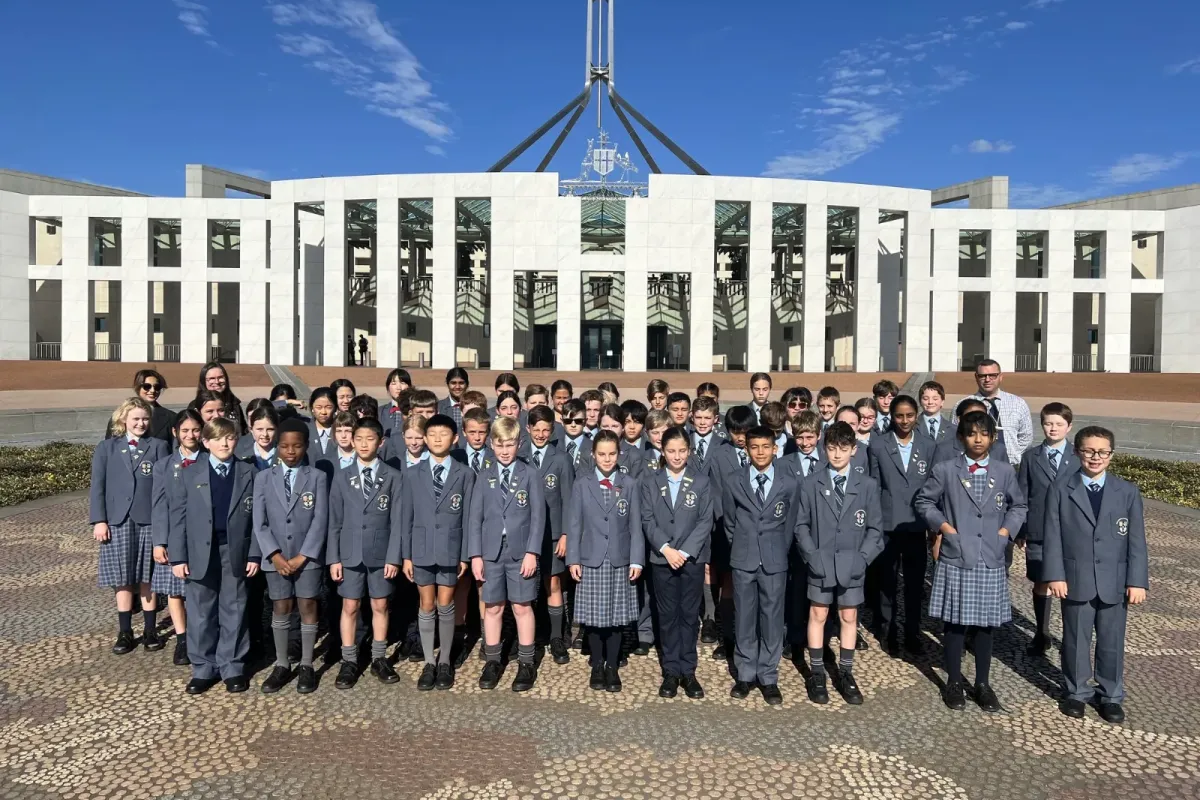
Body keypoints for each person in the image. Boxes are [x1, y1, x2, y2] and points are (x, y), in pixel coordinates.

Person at [915, 411, 1026, 713]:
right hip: (957, 554)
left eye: (984, 434)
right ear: (961, 437)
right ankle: (953, 681)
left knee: (986, 625)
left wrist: (1005, 532)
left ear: (993, 437)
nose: (978, 439)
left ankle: (982, 683)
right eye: (972, 433)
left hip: (990, 555)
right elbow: (924, 501)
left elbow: (1019, 506)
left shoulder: (1004, 471)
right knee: (955, 623)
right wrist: (945, 527)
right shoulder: (946, 469)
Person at [1043, 426, 1148, 724]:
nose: (1095, 457)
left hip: (1114, 580)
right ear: (1077, 452)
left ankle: (1110, 695)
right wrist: (1055, 575)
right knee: (1075, 639)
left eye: (1102, 451)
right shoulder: (1061, 489)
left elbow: (1137, 541)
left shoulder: (1127, 492)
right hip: (1076, 578)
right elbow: (1052, 535)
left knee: (1111, 641)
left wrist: (1137, 581)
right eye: (1089, 450)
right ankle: (1076, 692)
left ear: (1111, 455)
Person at [168, 416, 261, 694]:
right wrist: (178, 557)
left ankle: (232, 665)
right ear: (205, 442)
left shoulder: (248, 472)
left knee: (235, 608)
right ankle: (203, 667)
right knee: (201, 611)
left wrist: (254, 554)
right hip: (200, 551)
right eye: (218, 438)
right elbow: (177, 517)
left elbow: (258, 518)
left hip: (235, 549)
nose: (224, 443)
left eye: (230, 438)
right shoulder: (189, 473)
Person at [795, 421, 884, 706]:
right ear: (824, 449)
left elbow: (875, 530)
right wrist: (811, 555)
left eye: (843, 449)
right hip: (820, 562)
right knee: (818, 614)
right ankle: (817, 672)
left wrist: (862, 558)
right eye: (832, 448)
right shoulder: (811, 484)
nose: (837, 454)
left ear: (853, 450)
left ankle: (845, 672)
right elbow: (801, 526)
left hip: (852, 563)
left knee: (848, 617)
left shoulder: (867, 485)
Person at [722, 424, 802, 705]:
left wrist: (778, 551)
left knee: (772, 619)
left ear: (775, 449)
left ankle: (768, 676)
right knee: (744, 617)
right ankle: (745, 673)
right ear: (746, 449)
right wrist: (742, 547)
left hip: (774, 559)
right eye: (754, 447)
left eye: (765, 447)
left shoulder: (789, 482)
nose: (760, 452)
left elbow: (790, 524)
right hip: (743, 558)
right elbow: (730, 522)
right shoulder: (734, 480)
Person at [469, 416, 545, 691]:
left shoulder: (530, 474)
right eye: (500, 445)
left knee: (522, 606)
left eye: (510, 445)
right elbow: (475, 518)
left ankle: (526, 662)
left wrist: (532, 551)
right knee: (493, 607)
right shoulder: (484, 475)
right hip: (490, 552)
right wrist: (475, 555)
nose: (504, 451)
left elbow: (538, 517)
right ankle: (492, 661)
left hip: (520, 552)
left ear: (519, 444)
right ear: (491, 444)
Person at [327, 418, 403, 689]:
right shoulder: (342, 476)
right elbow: (334, 521)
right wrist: (333, 558)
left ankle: (379, 658)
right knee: (350, 606)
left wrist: (394, 557)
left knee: (380, 605)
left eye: (370, 439)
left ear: (380, 442)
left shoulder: (393, 476)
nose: (363, 444)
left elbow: (397, 521)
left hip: (381, 554)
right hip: (349, 553)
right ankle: (349, 660)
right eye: (358, 438)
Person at [91, 397, 171, 655]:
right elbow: (98, 486)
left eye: (145, 419)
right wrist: (99, 520)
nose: (140, 423)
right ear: (124, 419)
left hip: (149, 520)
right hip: (118, 520)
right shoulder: (107, 448)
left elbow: (164, 488)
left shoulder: (158, 446)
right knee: (122, 578)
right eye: (136, 418)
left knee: (148, 576)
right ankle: (125, 631)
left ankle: (150, 629)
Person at [253, 418, 327, 695]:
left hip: (307, 558)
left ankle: (306, 663)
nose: (291, 451)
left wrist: (303, 555)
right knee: (281, 607)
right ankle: (282, 663)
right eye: (284, 446)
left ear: (306, 446)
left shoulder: (317, 477)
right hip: (276, 558)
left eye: (297, 446)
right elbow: (259, 522)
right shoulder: (263, 478)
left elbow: (320, 519)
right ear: (277, 447)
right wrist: (274, 554)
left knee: (308, 605)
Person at [566, 431, 644, 693]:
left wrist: (637, 560)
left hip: (620, 559)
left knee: (616, 618)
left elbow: (635, 526)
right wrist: (573, 559)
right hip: (591, 558)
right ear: (593, 455)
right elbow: (574, 525)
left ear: (619, 454)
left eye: (612, 454)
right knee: (594, 618)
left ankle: (612, 665)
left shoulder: (629, 484)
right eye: (602, 454)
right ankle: (597, 664)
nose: (607, 459)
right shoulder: (582, 484)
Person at [401, 414, 474, 690]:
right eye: (431, 434)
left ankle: (445, 661)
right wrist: (406, 555)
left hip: (450, 549)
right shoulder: (412, 473)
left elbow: (468, 518)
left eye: (443, 434)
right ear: (424, 438)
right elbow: (406, 517)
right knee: (426, 604)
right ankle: (429, 661)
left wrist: (465, 555)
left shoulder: (464, 473)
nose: (437, 439)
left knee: (446, 604)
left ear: (455, 438)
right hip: (420, 549)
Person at [642, 427, 713, 700]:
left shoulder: (701, 481)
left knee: (689, 615)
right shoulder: (652, 481)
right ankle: (671, 670)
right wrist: (666, 549)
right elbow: (648, 519)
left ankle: (689, 670)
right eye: (671, 451)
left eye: (682, 450)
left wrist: (684, 551)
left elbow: (705, 520)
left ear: (689, 451)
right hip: (663, 559)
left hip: (691, 559)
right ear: (662, 451)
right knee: (668, 616)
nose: (677, 456)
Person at [866, 395, 937, 655]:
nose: (904, 421)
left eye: (909, 415)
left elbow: (932, 486)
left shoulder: (928, 445)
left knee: (914, 583)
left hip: (916, 524)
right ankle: (888, 630)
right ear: (892, 417)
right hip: (888, 525)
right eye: (899, 416)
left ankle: (912, 631)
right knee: (888, 581)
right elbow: (874, 485)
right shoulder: (878, 444)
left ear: (916, 415)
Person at [1017, 402, 1079, 656]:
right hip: (1039, 530)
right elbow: (1022, 495)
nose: (1053, 428)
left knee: (1070, 584)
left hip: (1071, 532)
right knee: (1041, 581)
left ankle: (1071, 637)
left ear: (1069, 427)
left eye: (1059, 424)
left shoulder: (1078, 456)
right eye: (1048, 423)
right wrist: (1021, 529)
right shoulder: (1030, 457)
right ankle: (1041, 633)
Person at [521, 404, 575, 665]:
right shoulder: (520, 456)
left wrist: (565, 534)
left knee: (553, 584)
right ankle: (528, 637)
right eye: (537, 429)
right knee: (526, 586)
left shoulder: (561, 458)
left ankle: (556, 636)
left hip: (553, 533)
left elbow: (569, 500)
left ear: (552, 430)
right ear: (528, 428)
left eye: (546, 430)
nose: (541, 435)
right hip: (525, 533)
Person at [150, 409, 204, 666]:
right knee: (175, 591)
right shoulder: (164, 465)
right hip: (174, 534)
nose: (190, 435)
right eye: (185, 430)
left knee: (199, 589)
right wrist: (159, 541)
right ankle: (182, 639)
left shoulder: (210, 460)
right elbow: (159, 505)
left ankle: (200, 636)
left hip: (202, 535)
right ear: (175, 432)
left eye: (195, 430)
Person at [706, 404, 758, 660]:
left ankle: (752, 637)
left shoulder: (761, 451)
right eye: (735, 432)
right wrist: (729, 528)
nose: (740, 437)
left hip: (757, 533)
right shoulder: (718, 455)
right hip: (727, 531)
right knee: (728, 585)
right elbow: (715, 494)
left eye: (745, 431)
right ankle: (727, 637)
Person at [969, 359, 1033, 466]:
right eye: (982, 376)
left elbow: (1026, 437)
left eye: (992, 375)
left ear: (1000, 377)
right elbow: (956, 439)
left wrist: (1013, 456)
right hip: (975, 467)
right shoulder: (964, 405)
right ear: (976, 377)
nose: (987, 379)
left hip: (1012, 466)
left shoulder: (1018, 403)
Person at [107, 370, 174, 441]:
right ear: (137, 387)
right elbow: (109, 444)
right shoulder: (120, 415)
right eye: (147, 386)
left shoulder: (171, 418)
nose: (152, 390)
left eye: (157, 387)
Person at [192, 362, 247, 435]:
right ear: (203, 381)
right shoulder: (194, 406)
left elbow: (243, 431)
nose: (217, 382)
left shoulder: (234, 403)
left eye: (220, 377)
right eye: (212, 378)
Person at [382, 368, 412, 439]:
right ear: (388, 387)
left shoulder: (415, 410)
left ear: (409, 386)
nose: (398, 388)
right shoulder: (380, 411)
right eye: (394, 383)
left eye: (402, 383)